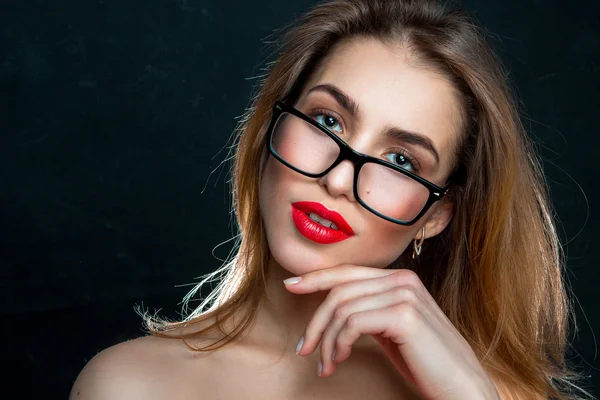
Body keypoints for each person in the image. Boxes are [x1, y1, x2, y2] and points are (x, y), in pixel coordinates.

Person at [69, 0, 594, 399]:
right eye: (328, 121)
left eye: (400, 161)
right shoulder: (130, 384)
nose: (340, 180)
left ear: (434, 215)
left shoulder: (486, 390)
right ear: (269, 129)